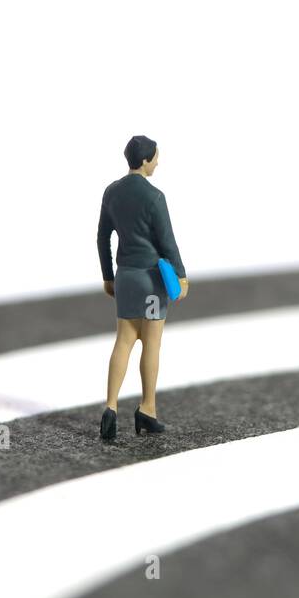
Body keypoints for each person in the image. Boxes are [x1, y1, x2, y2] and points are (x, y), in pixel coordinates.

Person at [96, 135, 189, 441]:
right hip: (150, 280)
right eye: (156, 157)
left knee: (124, 340)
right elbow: (167, 241)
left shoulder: (112, 192)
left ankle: (110, 408)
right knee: (151, 343)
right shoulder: (154, 197)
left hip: (125, 278)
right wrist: (181, 274)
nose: (158, 162)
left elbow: (102, 237)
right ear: (146, 160)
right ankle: (147, 409)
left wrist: (108, 276)